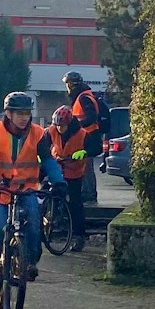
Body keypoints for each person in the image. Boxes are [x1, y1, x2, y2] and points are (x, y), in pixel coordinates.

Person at [0, 91, 63, 296]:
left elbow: (48, 160)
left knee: (33, 220)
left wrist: (59, 181)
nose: (24, 118)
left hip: (25, 189)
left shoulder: (38, 134)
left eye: (27, 113)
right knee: (0, 227)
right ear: (8, 114)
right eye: (19, 113)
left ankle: (29, 262)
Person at [49, 105, 90, 251]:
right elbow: (43, 145)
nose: (60, 129)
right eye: (57, 125)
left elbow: (93, 147)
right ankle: (52, 221)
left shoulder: (81, 133)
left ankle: (79, 236)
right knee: (50, 194)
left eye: (62, 126)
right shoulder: (52, 130)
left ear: (69, 124)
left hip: (74, 170)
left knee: (75, 203)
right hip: (58, 167)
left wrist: (83, 152)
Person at [63, 71, 106, 208]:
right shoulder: (83, 96)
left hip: (88, 137)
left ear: (70, 84)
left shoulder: (83, 98)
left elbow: (91, 117)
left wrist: (75, 126)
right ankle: (87, 195)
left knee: (86, 166)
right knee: (85, 165)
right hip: (87, 136)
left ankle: (89, 196)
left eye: (67, 84)